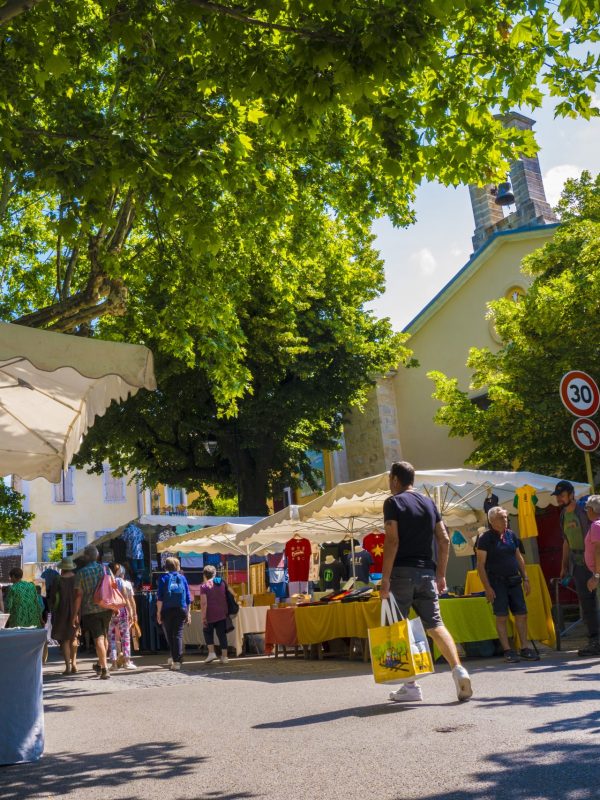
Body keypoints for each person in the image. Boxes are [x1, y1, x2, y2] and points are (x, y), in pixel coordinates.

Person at [381, 461, 473, 703]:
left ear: (395, 480)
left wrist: (385, 579)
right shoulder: (429, 503)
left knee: (398, 628)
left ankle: (410, 686)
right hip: (427, 574)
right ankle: (458, 670)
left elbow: (392, 541)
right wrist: (441, 574)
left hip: (401, 573)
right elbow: (444, 540)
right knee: (435, 624)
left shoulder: (393, 502)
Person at [476, 506, 539, 663]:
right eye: (501, 518)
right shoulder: (484, 538)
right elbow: (480, 565)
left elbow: (519, 558)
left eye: (506, 517)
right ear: (492, 521)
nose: (505, 520)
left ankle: (524, 647)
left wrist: (526, 578)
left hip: (514, 580)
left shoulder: (511, 535)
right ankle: (508, 650)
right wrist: (488, 588)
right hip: (497, 582)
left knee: (521, 614)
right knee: (502, 617)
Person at [553, 479, 600, 657]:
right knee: (587, 603)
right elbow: (566, 541)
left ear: (571, 494)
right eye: (557, 496)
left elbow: (596, 542)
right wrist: (564, 566)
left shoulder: (584, 511)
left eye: (562, 495)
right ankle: (594, 640)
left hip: (594, 562)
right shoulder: (563, 515)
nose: (559, 499)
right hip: (578, 564)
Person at [72, 545, 113, 680]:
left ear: (87, 557)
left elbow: (78, 595)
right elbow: (113, 586)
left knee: (98, 639)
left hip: (90, 609)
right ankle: (102, 664)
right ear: (97, 556)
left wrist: (75, 614)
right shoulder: (105, 568)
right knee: (104, 636)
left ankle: (105, 668)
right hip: (106, 607)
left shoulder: (81, 573)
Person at [156, 556, 191, 671]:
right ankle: (177, 659)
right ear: (177, 566)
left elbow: (160, 598)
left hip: (167, 609)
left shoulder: (163, 578)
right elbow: (187, 598)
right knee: (178, 635)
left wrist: (158, 612)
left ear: (166, 566)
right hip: (181, 608)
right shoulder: (182, 578)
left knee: (170, 635)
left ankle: (175, 659)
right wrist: (188, 613)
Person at [48, 556, 80, 675]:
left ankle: (67, 667)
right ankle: (74, 664)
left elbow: (52, 597)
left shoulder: (58, 579)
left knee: (65, 640)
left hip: (61, 611)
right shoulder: (77, 578)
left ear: (62, 568)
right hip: (76, 610)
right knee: (74, 637)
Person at [107, 562, 138, 671]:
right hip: (122, 611)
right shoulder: (121, 582)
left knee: (111, 637)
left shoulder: (107, 581)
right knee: (125, 636)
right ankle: (126, 661)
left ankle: (114, 663)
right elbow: (127, 599)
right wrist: (131, 612)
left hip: (110, 611)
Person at [199, 565, 230, 665]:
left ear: (204, 575)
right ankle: (224, 657)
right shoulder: (221, 582)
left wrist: (203, 617)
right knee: (222, 635)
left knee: (207, 632)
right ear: (215, 573)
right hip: (222, 613)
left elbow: (204, 603)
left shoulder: (204, 586)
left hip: (210, 614)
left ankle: (212, 653)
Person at [584, 495, 600, 596]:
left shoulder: (596, 525)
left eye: (587, 508)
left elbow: (599, 551)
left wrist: (596, 576)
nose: (586, 511)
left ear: (592, 509)